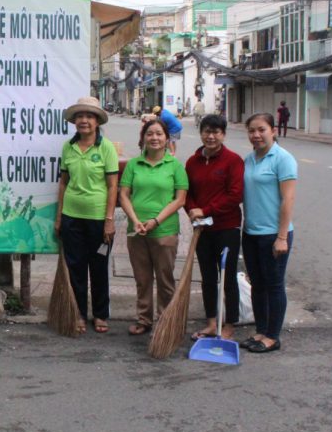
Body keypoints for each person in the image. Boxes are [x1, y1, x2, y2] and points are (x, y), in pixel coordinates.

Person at [53, 97, 119, 335]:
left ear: (97, 121)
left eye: (89, 117)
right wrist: (59, 217)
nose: (84, 121)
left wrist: (109, 220)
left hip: (98, 219)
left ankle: (100, 314)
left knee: (99, 267)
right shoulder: (68, 147)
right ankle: (79, 313)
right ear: (74, 121)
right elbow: (63, 183)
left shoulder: (106, 148)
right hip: (72, 217)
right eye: (80, 116)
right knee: (76, 268)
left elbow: (113, 186)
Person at [119, 118, 188, 335]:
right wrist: (135, 219)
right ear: (143, 138)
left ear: (167, 139)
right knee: (142, 278)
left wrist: (156, 221)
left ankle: (166, 320)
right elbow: (124, 194)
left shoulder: (175, 166)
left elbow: (180, 200)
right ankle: (144, 319)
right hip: (136, 230)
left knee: (165, 280)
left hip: (164, 231)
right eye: (150, 134)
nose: (154, 138)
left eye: (159, 134)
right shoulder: (133, 164)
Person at [240, 112, 297, 353]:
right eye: (252, 130)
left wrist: (282, 237)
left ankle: (273, 336)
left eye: (261, 129)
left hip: (274, 234)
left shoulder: (283, 159)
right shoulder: (249, 159)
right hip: (250, 232)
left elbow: (288, 199)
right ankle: (261, 330)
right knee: (257, 284)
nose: (256, 135)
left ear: (273, 131)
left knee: (274, 284)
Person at [185, 115, 244, 340]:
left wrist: (206, 210)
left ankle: (229, 324)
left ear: (223, 135)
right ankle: (211, 322)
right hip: (202, 230)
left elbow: (234, 195)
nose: (211, 136)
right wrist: (192, 210)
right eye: (207, 131)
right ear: (201, 133)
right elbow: (187, 193)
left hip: (227, 228)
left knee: (227, 277)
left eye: (216, 132)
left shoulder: (233, 161)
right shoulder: (193, 161)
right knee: (208, 277)